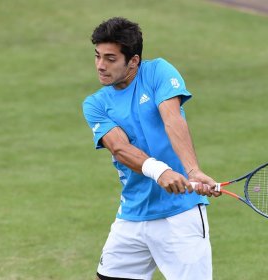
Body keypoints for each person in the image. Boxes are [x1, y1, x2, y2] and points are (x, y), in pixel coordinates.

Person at [82, 17, 221, 280]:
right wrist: (160, 171)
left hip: (180, 215)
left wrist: (193, 170)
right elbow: (120, 148)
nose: (100, 65)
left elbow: (172, 119)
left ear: (133, 61)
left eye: (110, 59)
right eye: (98, 56)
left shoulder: (158, 71)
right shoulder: (95, 104)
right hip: (132, 215)